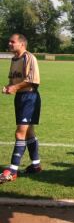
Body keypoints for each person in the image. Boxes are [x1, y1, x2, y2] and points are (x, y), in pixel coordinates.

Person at [0, 34, 42, 184]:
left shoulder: (29, 57)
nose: (9, 44)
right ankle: (36, 165)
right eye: (9, 41)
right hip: (20, 98)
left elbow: (34, 81)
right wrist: (9, 87)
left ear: (22, 44)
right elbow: (14, 79)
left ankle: (12, 171)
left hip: (29, 98)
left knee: (20, 132)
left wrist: (15, 87)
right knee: (29, 131)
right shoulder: (14, 59)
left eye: (13, 42)